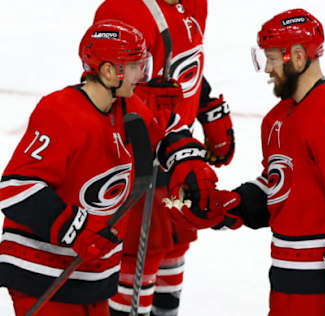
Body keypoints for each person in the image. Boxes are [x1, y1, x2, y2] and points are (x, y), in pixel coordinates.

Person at [174, 8, 325, 316]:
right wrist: (230, 205)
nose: (267, 68)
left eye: (273, 57)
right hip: (285, 274)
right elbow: (280, 186)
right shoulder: (276, 120)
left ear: (299, 57)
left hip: (323, 281)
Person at [0, 19, 219, 316]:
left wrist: (189, 163)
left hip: (94, 277)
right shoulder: (59, 113)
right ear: (108, 71)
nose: (141, 75)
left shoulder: (126, 108)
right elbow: (15, 188)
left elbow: (161, 136)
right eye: (134, 66)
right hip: (43, 276)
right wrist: (77, 229)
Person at [93, 1, 235, 315]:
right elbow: (117, 90)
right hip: (139, 155)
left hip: (175, 152)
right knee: (140, 256)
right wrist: (174, 138)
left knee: (173, 244)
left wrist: (206, 105)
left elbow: (179, 68)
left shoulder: (194, 5)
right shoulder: (125, 9)